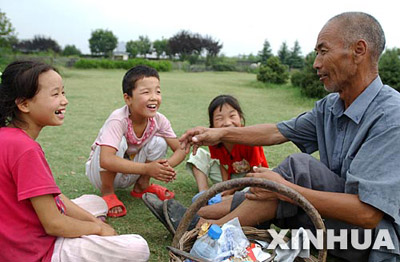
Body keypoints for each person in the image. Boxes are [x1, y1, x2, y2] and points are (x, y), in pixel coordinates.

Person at [176, 12, 400, 261]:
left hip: (373, 242)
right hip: (328, 227)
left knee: (296, 170)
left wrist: (285, 189)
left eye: (323, 51)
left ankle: (203, 236)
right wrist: (220, 133)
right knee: (284, 179)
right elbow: (276, 131)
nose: (316, 63)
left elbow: (367, 214)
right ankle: (202, 219)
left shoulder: (392, 117)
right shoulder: (331, 108)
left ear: (359, 51)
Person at [0, 60, 150, 262]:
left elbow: (55, 197)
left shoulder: (7, 136)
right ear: (24, 104)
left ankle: (84, 227)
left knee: (96, 202)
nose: (64, 101)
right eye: (55, 94)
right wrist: (97, 228)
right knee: (137, 248)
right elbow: (53, 224)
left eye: (63, 92)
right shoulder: (26, 149)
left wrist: (91, 223)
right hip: (37, 251)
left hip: (15, 235)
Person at [85, 65, 186, 217]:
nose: (154, 97)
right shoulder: (118, 119)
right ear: (128, 98)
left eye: (157, 91)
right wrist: (148, 168)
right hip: (100, 173)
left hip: (130, 172)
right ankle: (108, 192)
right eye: (146, 92)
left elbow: (181, 149)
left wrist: (163, 168)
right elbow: (105, 160)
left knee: (159, 142)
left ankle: (142, 186)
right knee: (119, 143)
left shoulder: (159, 120)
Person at [186, 94, 269, 201]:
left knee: (256, 187)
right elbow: (222, 165)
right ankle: (204, 194)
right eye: (219, 118)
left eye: (232, 116)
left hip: (251, 178)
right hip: (231, 177)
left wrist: (230, 189)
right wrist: (225, 186)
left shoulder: (250, 140)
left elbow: (256, 172)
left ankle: (228, 199)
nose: (227, 123)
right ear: (212, 125)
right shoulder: (214, 140)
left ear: (241, 118)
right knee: (197, 155)